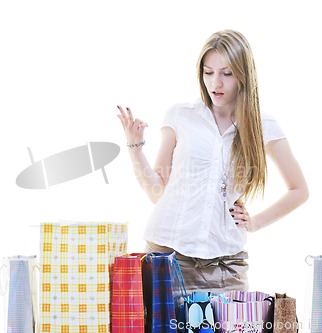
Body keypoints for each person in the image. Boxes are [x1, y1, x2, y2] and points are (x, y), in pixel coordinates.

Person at [116, 29, 309, 293]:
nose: (215, 83)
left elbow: (299, 189)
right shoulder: (181, 116)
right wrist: (134, 146)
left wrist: (256, 222)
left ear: (243, 74)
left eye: (226, 73)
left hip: (226, 265)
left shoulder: (263, 125)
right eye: (208, 72)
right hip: (168, 255)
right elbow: (156, 191)